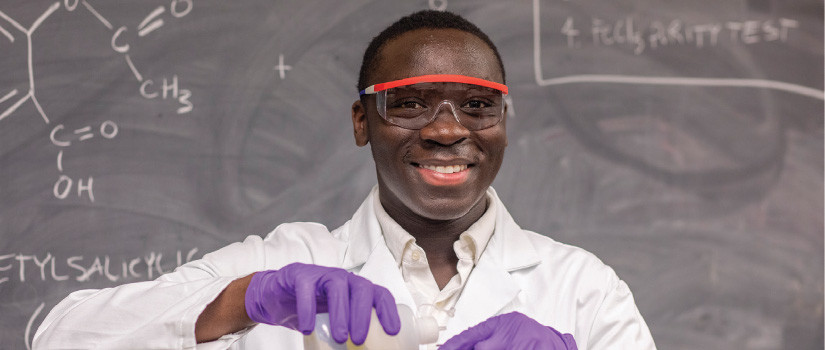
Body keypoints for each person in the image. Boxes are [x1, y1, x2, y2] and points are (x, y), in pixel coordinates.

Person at [34, 10, 656, 350]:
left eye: (477, 104)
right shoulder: (284, 263)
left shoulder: (582, 289)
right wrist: (241, 301)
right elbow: (59, 338)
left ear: (502, 123)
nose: (447, 130)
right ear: (363, 122)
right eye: (409, 103)